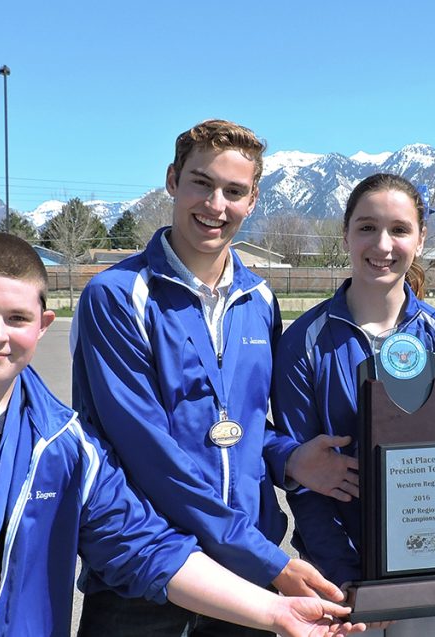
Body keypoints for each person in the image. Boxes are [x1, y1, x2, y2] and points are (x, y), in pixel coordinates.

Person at [0, 233, 364, 637]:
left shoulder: (66, 446)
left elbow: (146, 548)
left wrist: (276, 611)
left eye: (16, 318)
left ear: (42, 326)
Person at [71, 119, 353, 636]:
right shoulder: (117, 295)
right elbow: (148, 452)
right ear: (173, 180)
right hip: (148, 572)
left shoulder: (260, 299)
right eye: (202, 183)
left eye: (234, 191)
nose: (215, 205)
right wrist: (269, 560)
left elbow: (240, 425)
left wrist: (287, 456)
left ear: (253, 200)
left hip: (242, 576)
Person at [271, 173, 435, 637]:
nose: (382, 244)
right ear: (345, 234)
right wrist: (343, 575)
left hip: (429, 574)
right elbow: (304, 478)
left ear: (421, 239)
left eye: (400, 229)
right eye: (367, 227)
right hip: (335, 577)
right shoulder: (303, 343)